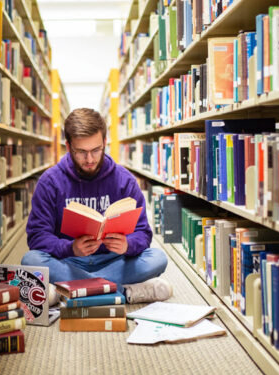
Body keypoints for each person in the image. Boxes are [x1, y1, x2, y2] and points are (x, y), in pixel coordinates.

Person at [21, 108, 172, 305]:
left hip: (114, 259)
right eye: (81, 152)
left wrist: (127, 245)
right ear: (68, 146)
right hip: (68, 261)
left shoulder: (124, 180)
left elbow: (143, 233)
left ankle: (69, 290)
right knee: (30, 261)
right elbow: (37, 236)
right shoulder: (50, 182)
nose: (90, 159)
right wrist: (70, 248)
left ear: (104, 143)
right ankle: (121, 290)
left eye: (96, 150)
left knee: (158, 258)